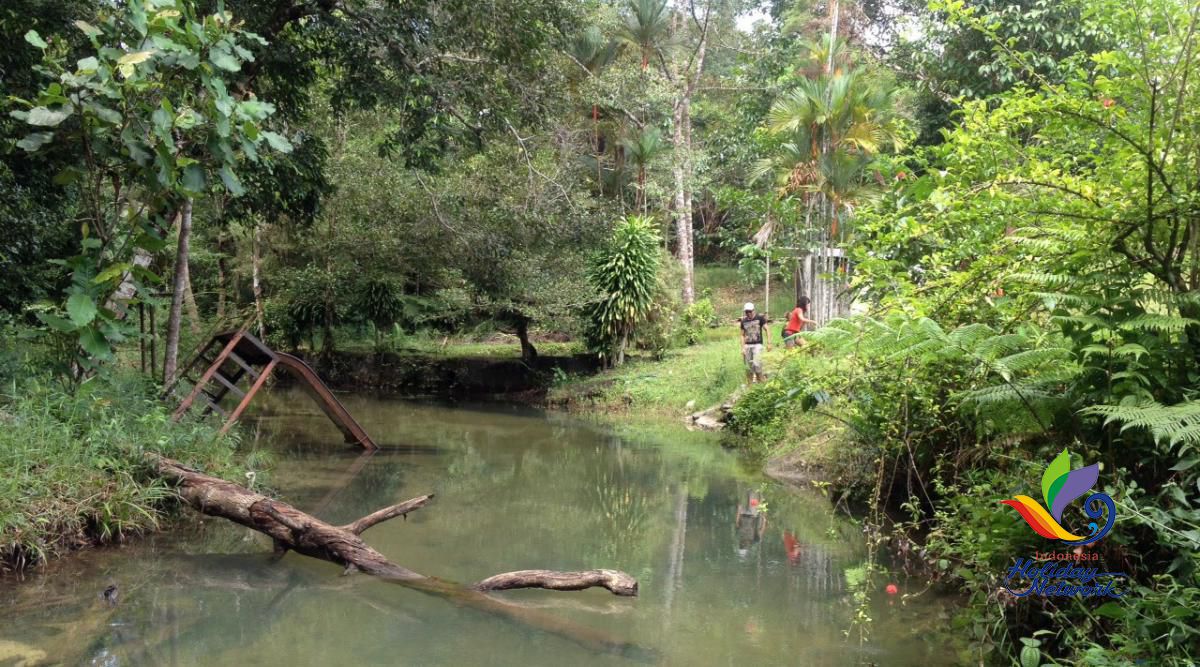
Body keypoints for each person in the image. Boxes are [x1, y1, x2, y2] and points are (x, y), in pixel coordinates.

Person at [738, 302, 769, 383]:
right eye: (746, 312)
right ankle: (750, 387)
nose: (748, 313)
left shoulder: (760, 318)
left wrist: (769, 343)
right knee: (749, 368)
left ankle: (761, 382)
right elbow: (741, 335)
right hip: (747, 345)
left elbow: (767, 330)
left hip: (757, 344)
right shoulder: (743, 321)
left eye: (750, 311)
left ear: (753, 310)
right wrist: (743, 348)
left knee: (757, 364)